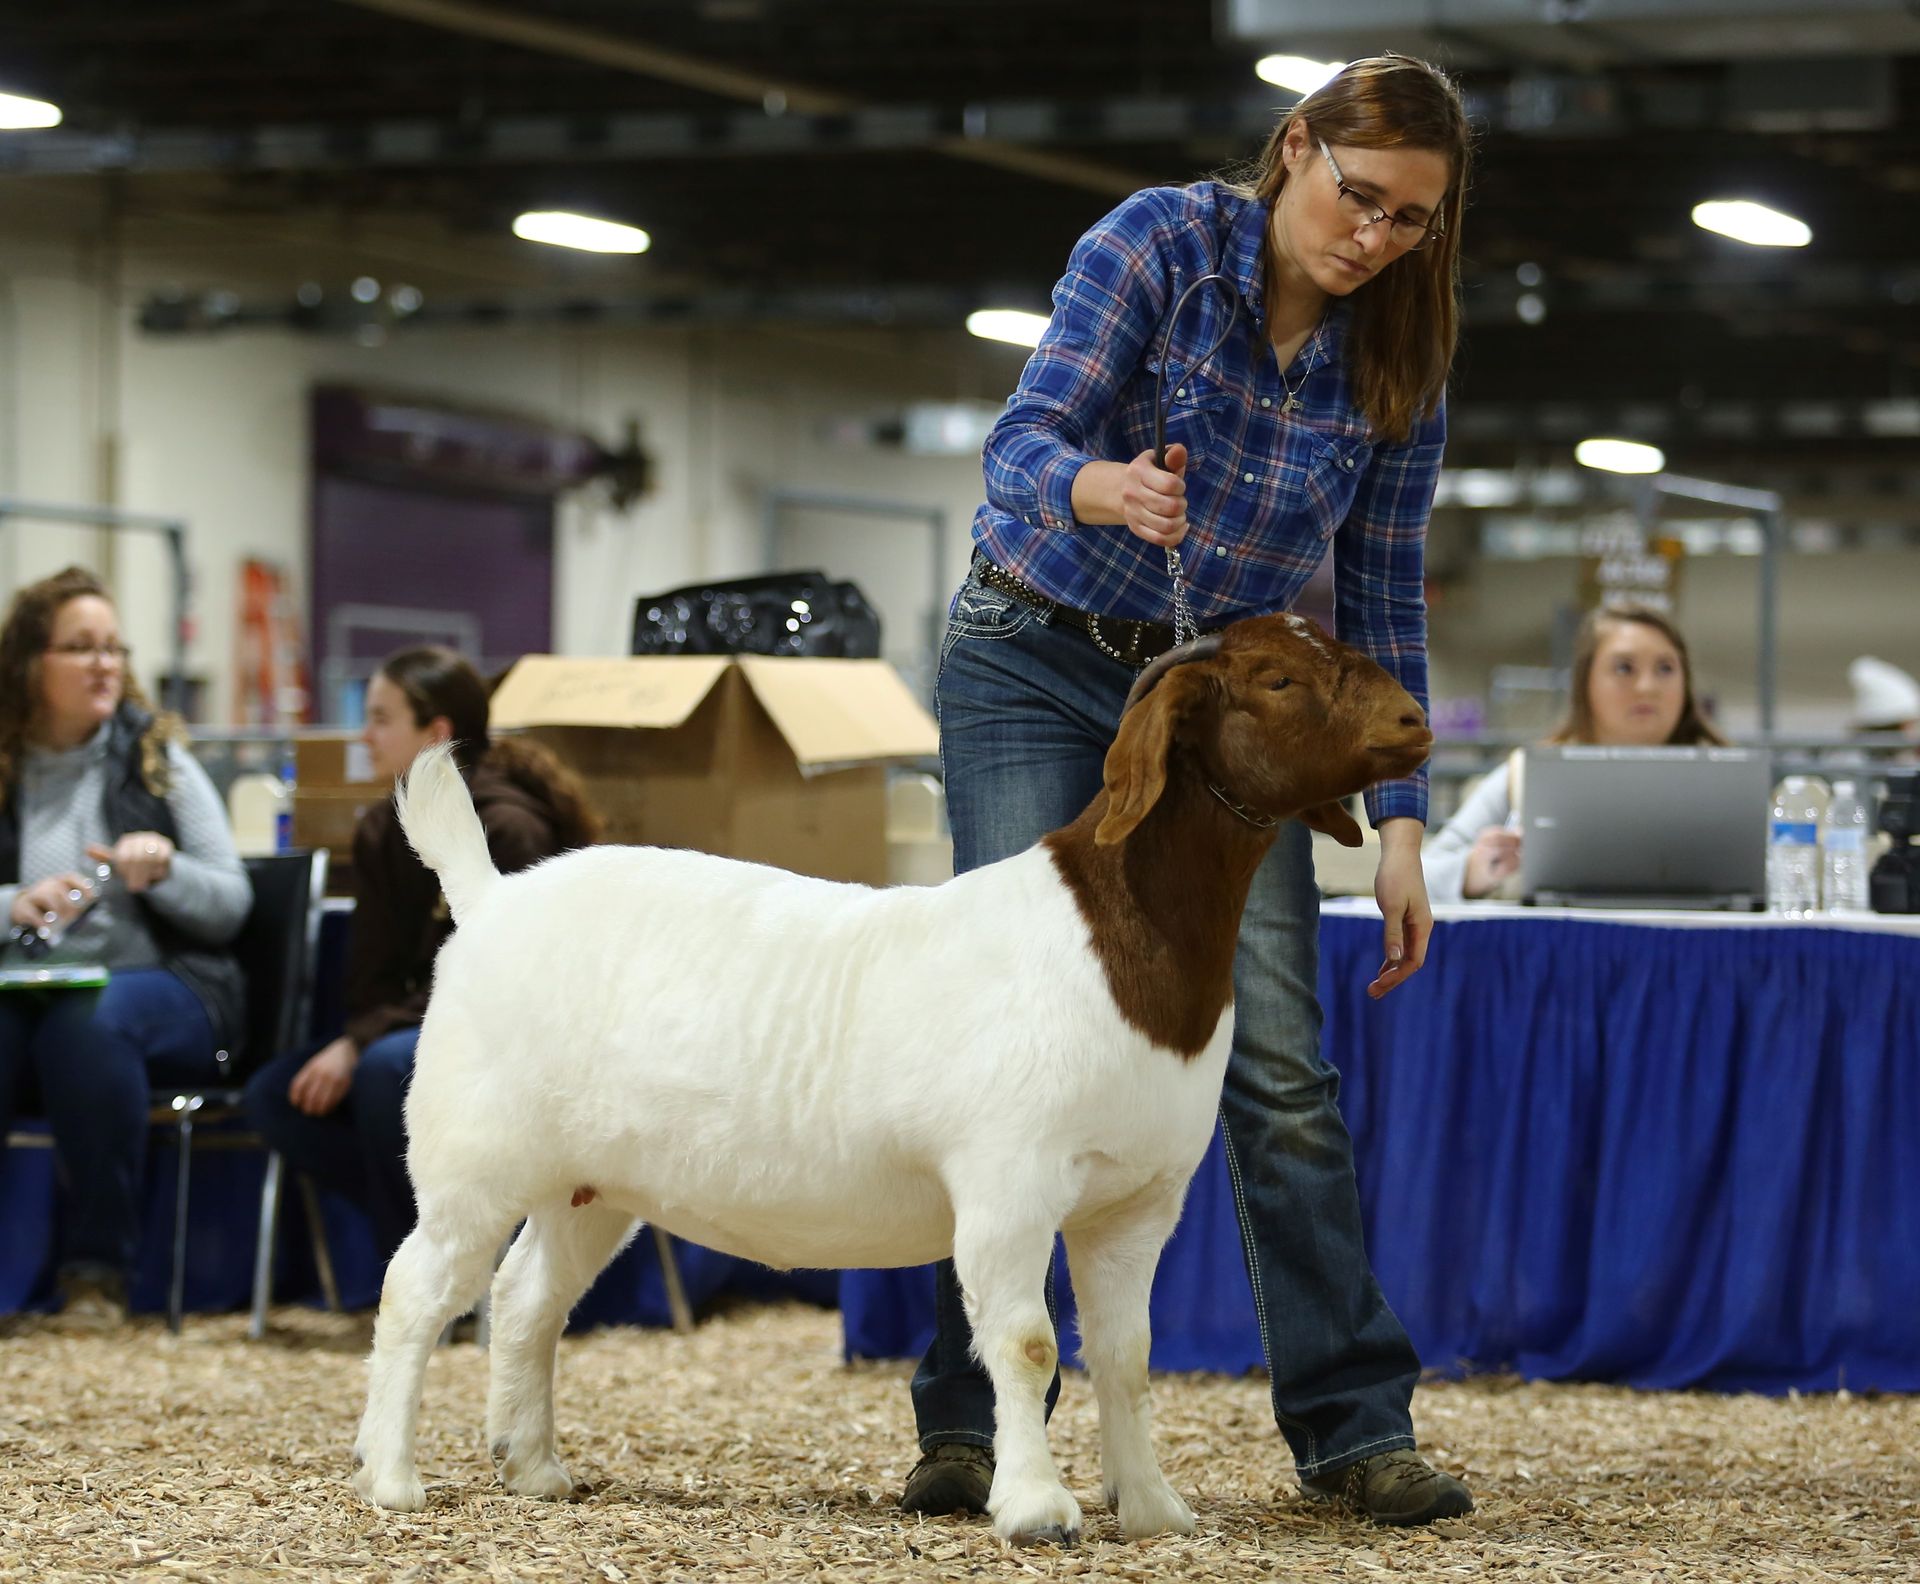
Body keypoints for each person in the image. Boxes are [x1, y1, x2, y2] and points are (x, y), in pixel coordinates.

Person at [902, 55, 1474, 1526]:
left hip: (1224, 716)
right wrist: (1102, 488)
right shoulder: (1156, 241)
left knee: (1277, 1065)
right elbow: (1018, 445)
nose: (1378, 239)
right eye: (1361, 199)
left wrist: (1404, 828)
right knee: (1006, 1049)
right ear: (1295, 151)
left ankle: (1354, 1429)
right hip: (1036, 655)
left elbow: (1388, 600)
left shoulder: (1401, 348)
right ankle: (972, 1424)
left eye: (1414, 219)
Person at [242, 647, 598, 1267]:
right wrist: (360, 1034)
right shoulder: (384, 828)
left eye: (381, 718)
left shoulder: (511, 828)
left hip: (518, 1041)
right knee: (278, 1096)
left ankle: (427, 1274)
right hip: (417, 1028)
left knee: (387, 1071)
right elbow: (370, 976)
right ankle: (435, 1243)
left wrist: (362, 1043)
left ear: (436, 734)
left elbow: (504, 985)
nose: (364, 735)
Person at [0, 566, 252, 1327]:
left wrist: (165, 872)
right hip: (27, 987)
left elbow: (232, 903)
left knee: (90, 1018)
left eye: (114, 647)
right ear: (29, 664)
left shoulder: (157, 757)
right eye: (80, 648)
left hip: (167, 989)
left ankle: (96, 1276)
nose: (105, 664)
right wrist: (12, 904)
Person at [1423, 603, 1727, 903]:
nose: (1647, 686)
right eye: (1624, 668)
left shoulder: (1726, 782)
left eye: (1665, 668)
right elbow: (1424, 876)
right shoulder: (1526, 775)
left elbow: (1772, 875)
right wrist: (1471, 872)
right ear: (1585, 682)